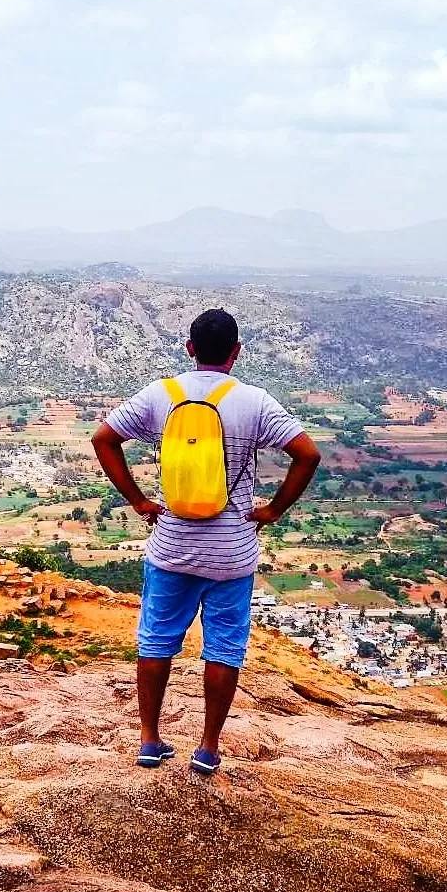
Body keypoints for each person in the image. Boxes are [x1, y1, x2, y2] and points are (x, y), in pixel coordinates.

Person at [91, 307, 321, 775]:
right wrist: (273, 510)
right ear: (235, 353)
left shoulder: (162, 394)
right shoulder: (254, 401)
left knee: (155, 642)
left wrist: (137, 500)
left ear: (190, 349)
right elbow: (307, 454)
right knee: (222, 649)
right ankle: (208, 748)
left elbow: (103, 439)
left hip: (171, 546)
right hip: (232, 552)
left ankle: (150, 740)